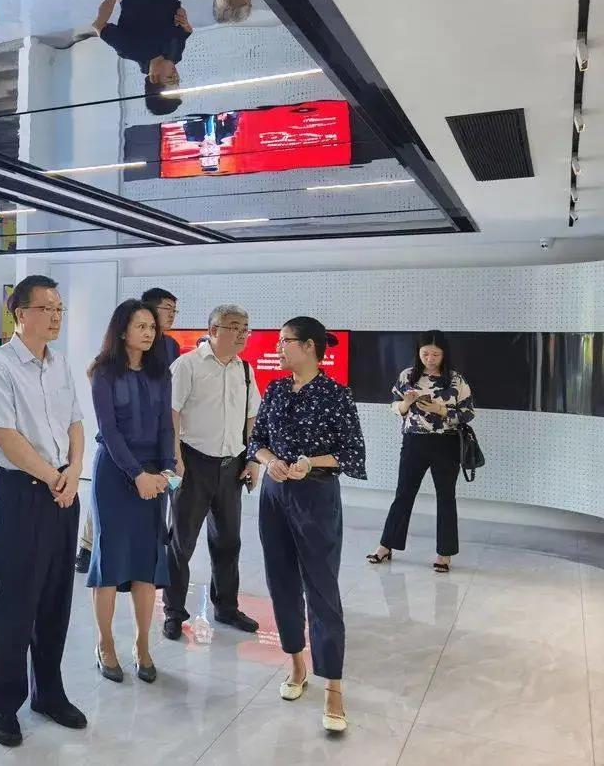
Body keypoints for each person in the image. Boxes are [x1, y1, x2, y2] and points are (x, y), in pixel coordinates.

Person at [0, 274, 86, 748]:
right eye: (47, 308)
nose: (56, 317)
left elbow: (76, 422)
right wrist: (52, 476)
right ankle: (3, 703)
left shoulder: (60, 364)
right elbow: (5, 436)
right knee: (15, 603)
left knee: (56, 599)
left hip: (63, 491)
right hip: (23, 492)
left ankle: (49, 692)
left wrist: (73, 472)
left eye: (60, 309)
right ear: (21, 314)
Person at [248, 317, 366, 734]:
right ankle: (296, 664)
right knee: (280, 582)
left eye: (285, 342)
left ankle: (333, 685)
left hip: (316, 497)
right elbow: (256, 441)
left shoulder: (336, 395)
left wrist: (308, 463)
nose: (278, 348)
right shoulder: (276, 390)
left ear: (310, 346)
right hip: (274, 496)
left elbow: (352, 454)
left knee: (321, 589)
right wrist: (270, 462)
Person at [87, 300, 173, 685]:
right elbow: (109, 430)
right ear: (122, 330)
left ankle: (142, 645)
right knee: (109, 562)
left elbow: (166, 426)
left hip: (153, 474)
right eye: (141, 326)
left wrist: (166, 470)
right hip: (115, 474)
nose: (148, 333)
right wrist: (137, 474)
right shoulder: (103, 372)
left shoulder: (160, 373)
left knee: (146, 562)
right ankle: (105, 644)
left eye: (152, 327)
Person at [163, 304, 260, 640]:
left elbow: (251, 416)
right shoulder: (187, 365)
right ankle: (174, 611)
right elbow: (171, 413)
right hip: (192, 464)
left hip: (232, 466)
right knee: (181, 542)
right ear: (214, 330)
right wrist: (175, 458)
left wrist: (252, 460)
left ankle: (227, 607)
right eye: (235, 327)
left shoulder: (244, 369)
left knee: (228, 541)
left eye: (245, 328)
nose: (242, 334)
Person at [76, 285, 179, 575]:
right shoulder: (108, 365)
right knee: (108, 538)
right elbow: (108, 424)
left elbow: (166, 417)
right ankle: (87, 547)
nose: (169, 317)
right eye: (165, 310)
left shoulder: (168, 349)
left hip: (153, 454)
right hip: (117, 453)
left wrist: (169, 468)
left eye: (174, 311)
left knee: (148, 548)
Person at [368, 330, 474, 573]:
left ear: (444, 354)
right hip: (414, 441)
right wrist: (406, 403)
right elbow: (394, 405)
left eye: (435, 354)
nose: (430, 359)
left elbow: (469, 413)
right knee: (403, 494)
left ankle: (444, 553)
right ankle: (386, 546)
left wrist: (441, 410)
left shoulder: (456, 380)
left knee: (446, 497)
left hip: (446, 443)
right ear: (418, 353)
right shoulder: (408, 375)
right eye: (425, 354)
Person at [92, 0, 190, 117]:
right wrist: (184, 21)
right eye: (178, 80)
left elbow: (99, 26)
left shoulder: (130, 49)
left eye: (171, 79)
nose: (176, 75)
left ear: (154, 78)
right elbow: (185, 31)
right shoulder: (175, 55)